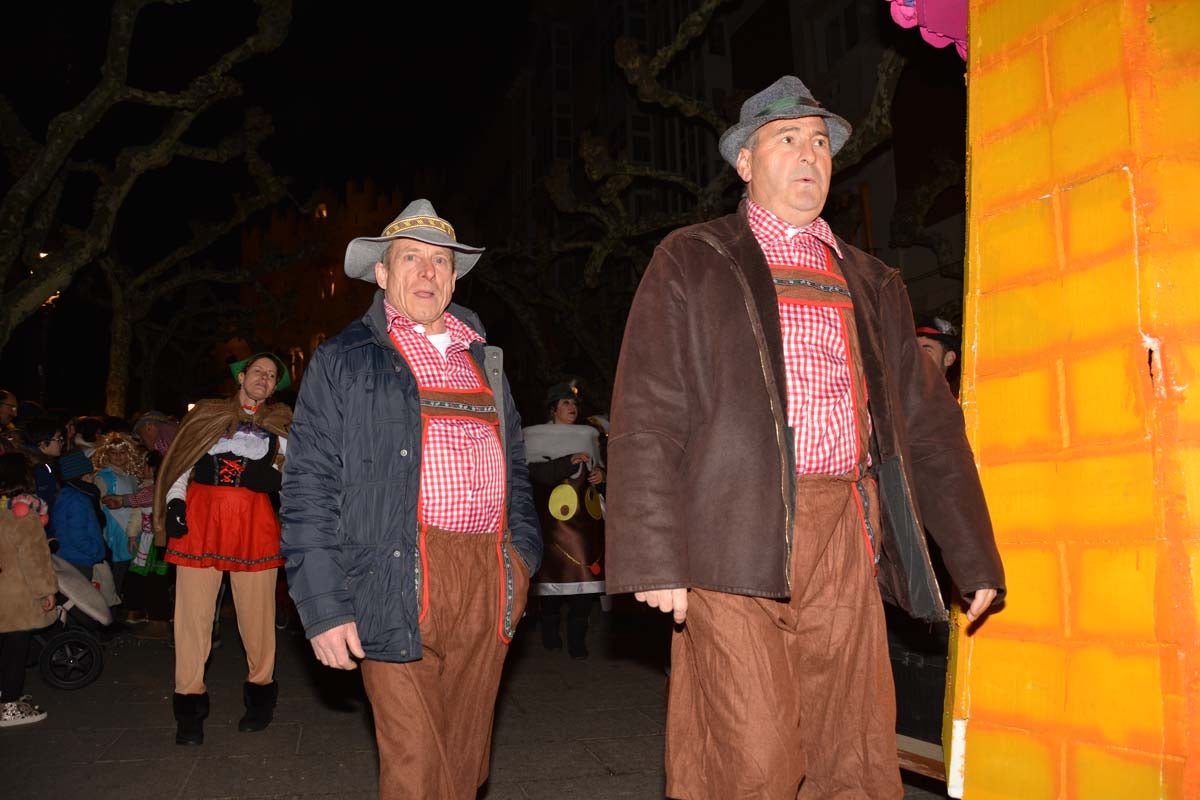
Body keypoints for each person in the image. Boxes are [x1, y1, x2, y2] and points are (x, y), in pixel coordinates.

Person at [605, 75, 1006, 799]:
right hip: (730, 532)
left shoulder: (872, 280)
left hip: (847, 533)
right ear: (745, 163)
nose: (809, 156)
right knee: (753, 755)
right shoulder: (694, 259)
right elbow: (648, 409)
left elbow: (928, 424)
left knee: (850, 745)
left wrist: (970, 553)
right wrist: (652, 557)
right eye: (786, 140)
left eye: (820, 142)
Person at [281, 199, 542, 800]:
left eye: (440, 262)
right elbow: (308, 487)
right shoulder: (345, 359)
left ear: (454, 277)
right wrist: (322, 606)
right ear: (382, 273)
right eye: (412, 259)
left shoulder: (488, 361)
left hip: (486, 578)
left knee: (463, 762)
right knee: (414, 764)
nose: (428, 272)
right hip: (393, 574)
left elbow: (517, 470)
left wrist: (520, 561)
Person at [152, 353, 292, 745]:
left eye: (272, 375)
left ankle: (261, 696)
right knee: (192, 618)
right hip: (202, 520)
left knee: (258, 618)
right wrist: (175, 503)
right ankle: (189, 708)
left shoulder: (281, 425)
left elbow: (295, 471)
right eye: (258, 372)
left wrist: (275, 478)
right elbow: (181, 462)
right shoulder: (208, 414)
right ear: (242, 376)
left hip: (253, 523)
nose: (264, 378)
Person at [523, 380, 606, 659]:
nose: (572, 408)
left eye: (574, 403)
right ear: (553, 409)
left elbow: (598, 471)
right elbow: (536, 474)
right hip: (553, 524)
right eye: (566, 403)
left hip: (584, 524)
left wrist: (600, 476)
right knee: (554, 580)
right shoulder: (535, 436)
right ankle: (549, 627)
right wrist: (567, 461)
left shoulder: (587, 434)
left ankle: (577, 638)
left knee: (585, 576)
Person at [0, 452, 57, 728]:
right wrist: (46, 591)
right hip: (15, 595)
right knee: (15, 649)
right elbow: (35, 559)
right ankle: (8, 705)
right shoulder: (25, 516)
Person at [47, 450, 105, 581]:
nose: (93, 479)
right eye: (91, 475)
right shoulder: (78, 500)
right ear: (84, 477)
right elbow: (77, 535)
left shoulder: (66, 495)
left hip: (69, 556)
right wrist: (95, 551)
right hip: (79, 559)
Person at [916, 315, 962, 394]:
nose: (917, 358)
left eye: (926, 351)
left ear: (949, 358)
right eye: (915, 351)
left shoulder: (950, 404)